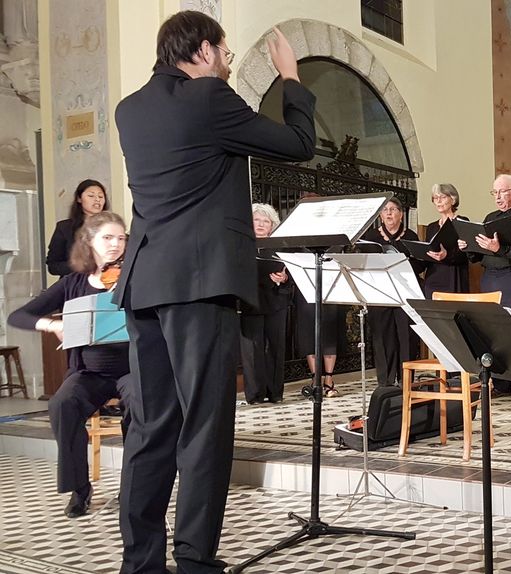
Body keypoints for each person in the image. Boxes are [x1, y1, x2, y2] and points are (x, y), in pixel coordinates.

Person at [113, 11, 316, 573]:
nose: (227, 61)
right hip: (199, 286)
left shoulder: (129, 110)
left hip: (146, 284)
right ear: (203, 51)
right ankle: (196, 562)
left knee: (152, 428)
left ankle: (141, 563)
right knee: (204, 427)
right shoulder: (207, 98)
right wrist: (291, 78)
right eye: (225, 52)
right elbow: (299, 143)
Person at [8, 212, 132, 518]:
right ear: (88, 241)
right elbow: (18, 316)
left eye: (121, 238)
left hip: (132, 369)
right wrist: (52, 326)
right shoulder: (73, 283)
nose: (116, 244)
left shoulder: (133, 277)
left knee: (143, 402)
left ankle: (133, 486)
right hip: (90, 372)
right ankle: (80, 489)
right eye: (107, 237)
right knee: (62, 403)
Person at [459, 174, 511, 401]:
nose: (498, 197)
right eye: (495, 192)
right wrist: (468, 246)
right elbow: (478, 254)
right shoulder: (490, 218)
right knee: (493, 334)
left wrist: (499, 248)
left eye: (502, 192)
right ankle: (501, 384)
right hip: (489, 277)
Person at [360, 197, 425, 386]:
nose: (389, 213)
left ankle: (406, 380)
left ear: (401, 214)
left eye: (393, 209)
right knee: (383, 337)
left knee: (406, 337)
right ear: (380, 215)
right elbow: (364, 265)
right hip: (380, 294)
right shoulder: (370, 238)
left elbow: (420, 264)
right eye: (385, 210)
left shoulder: (411, 236)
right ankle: (386, 382)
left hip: (405, 293)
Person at [239, 203, 291, 404]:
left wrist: (284, 280)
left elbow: (291, 274)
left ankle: (275, 392)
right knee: (252, 351)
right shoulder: (242, 245)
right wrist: (270, 280)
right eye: (257, 220)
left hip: (276, 302)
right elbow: (241, 275)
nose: (261, 224)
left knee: (276, 349)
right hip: (250, 303)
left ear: (272, 226)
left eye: (266, 221)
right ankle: (255, 394)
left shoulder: (280, 247)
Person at [46, 179, 110, 277]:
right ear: (79, 199)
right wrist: (81, 265)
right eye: (91, 196)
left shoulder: (112, 227)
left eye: (101, 196)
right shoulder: (64, 228)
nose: (97, 199)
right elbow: (53, 266)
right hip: (74, 286)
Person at [422, 183, 470, 298]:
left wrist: (446, 256)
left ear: (453, 200)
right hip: (433, 277)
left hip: (453, 276)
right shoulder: (431, 227)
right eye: (435, 198)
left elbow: (466, 254)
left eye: (443, 197)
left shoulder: (462, 222)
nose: (438, 201)